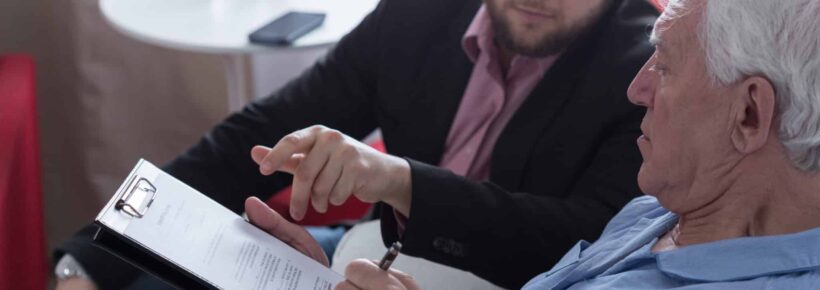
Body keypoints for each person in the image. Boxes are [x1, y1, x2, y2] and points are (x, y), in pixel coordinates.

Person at [54, 0, 658, 289]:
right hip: (367, 251)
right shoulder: (421, 14)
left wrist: (401, 181)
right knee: (151, 277)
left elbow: (588, 239)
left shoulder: (647, 69)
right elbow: (263, 134)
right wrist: (89, 256)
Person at [252, 0, 820, 288]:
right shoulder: (659, 209)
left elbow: (547, 238)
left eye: (666, 67)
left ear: (748, 114)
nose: (638, 88)